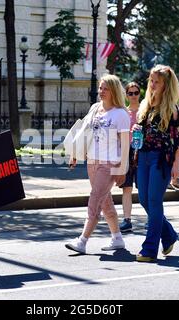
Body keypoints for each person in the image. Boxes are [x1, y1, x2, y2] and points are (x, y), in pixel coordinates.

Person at [65, 74, 130, 254]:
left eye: (105, 88)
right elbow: (84, 133)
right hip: (92, 161)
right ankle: (117, 238)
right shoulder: (95, 108)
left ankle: (82, 241)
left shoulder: (120, 114)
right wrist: (75, 153)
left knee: (95, 200)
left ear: (114, 91)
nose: (101, 91)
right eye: (100, 88)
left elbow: (125, 146)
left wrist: (122, 169)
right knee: (105, 202)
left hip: (109, 164)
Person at [134, 65, 179, 262]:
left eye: (157, 82)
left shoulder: (172, 110)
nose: (153, 85)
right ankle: (169, 234)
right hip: (143, 157)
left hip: (161, 159)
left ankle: (149, 249)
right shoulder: (146, 105)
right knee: (145, 200)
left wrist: (176, 166)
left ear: (166, 85)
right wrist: (137, 131)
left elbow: (178, 141)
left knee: (154, 201)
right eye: (151, 81)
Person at [118, 82, 141, 232]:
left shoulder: (145, 111)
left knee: (145, 188)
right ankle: (127, 220)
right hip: (126, 152)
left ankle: (154, 218)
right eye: (130, 93)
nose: (133, 96)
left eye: (136, 92)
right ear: (126, 95)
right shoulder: (123, 113)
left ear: (140, 93)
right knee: (126, 187)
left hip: (141, 151)